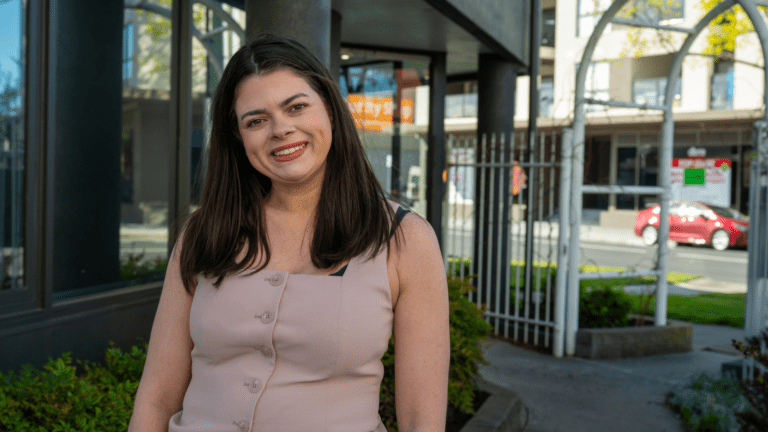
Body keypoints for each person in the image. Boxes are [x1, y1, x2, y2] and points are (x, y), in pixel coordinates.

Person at [128, 34, 449, 432]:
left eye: (296, 107)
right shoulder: (203, 233)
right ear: (238, 138)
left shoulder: (405, 240)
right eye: (256, 120)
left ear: (330, 110)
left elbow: (422, 419)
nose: (280, 129)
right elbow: (157, 397)